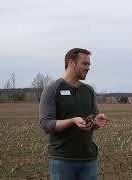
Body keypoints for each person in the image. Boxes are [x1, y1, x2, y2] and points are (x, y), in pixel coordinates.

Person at [39, 48, 109, 180]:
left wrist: (96, 122)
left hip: (89, 160)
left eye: (89, 64)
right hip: (62, 160)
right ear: (71, 63)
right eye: (84, 63)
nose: (88, 68)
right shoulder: (52, 89)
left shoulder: (88, 90)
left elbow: (92, 122)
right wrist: (71, 121)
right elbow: (45, 124)